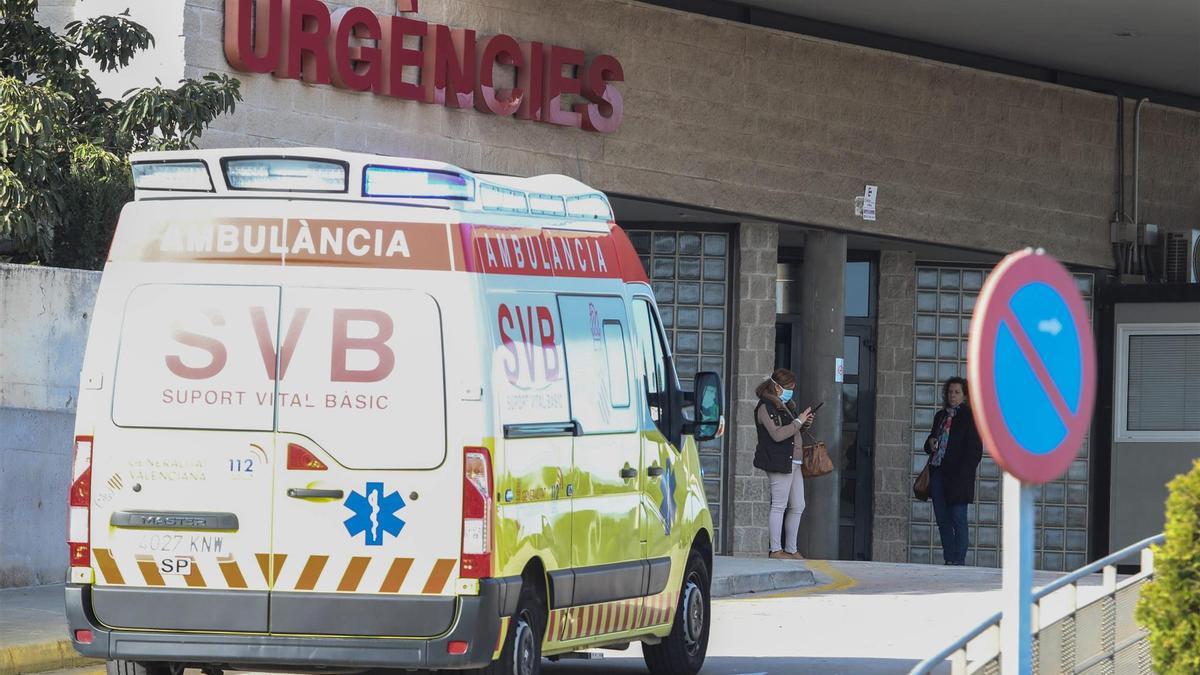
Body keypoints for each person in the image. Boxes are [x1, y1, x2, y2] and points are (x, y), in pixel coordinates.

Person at [752, 368, 814, 560]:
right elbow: (778, 435)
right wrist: (798, 421)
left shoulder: (787, 405)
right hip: (778, 461)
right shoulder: (765, 407)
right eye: (788, 388)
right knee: (779, 505)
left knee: (798, 505)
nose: (791, 391)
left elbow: (793, 431)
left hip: (794, 461)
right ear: (777, 387)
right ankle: (776, 550)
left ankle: (791, 549)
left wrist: (804, 423)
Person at [924, 376, 983, 566]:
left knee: (958, 518)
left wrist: (964, 473)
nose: (953, 395)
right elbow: (930, 443)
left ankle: (959, 559)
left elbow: (975, 451)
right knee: (942, 519)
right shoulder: (940, 416)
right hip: (938, 472)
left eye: (957, 392)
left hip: (958, 477)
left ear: (965, 395)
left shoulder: (970, 418)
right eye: (950, 392)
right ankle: (949, 558)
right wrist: (930, 442)